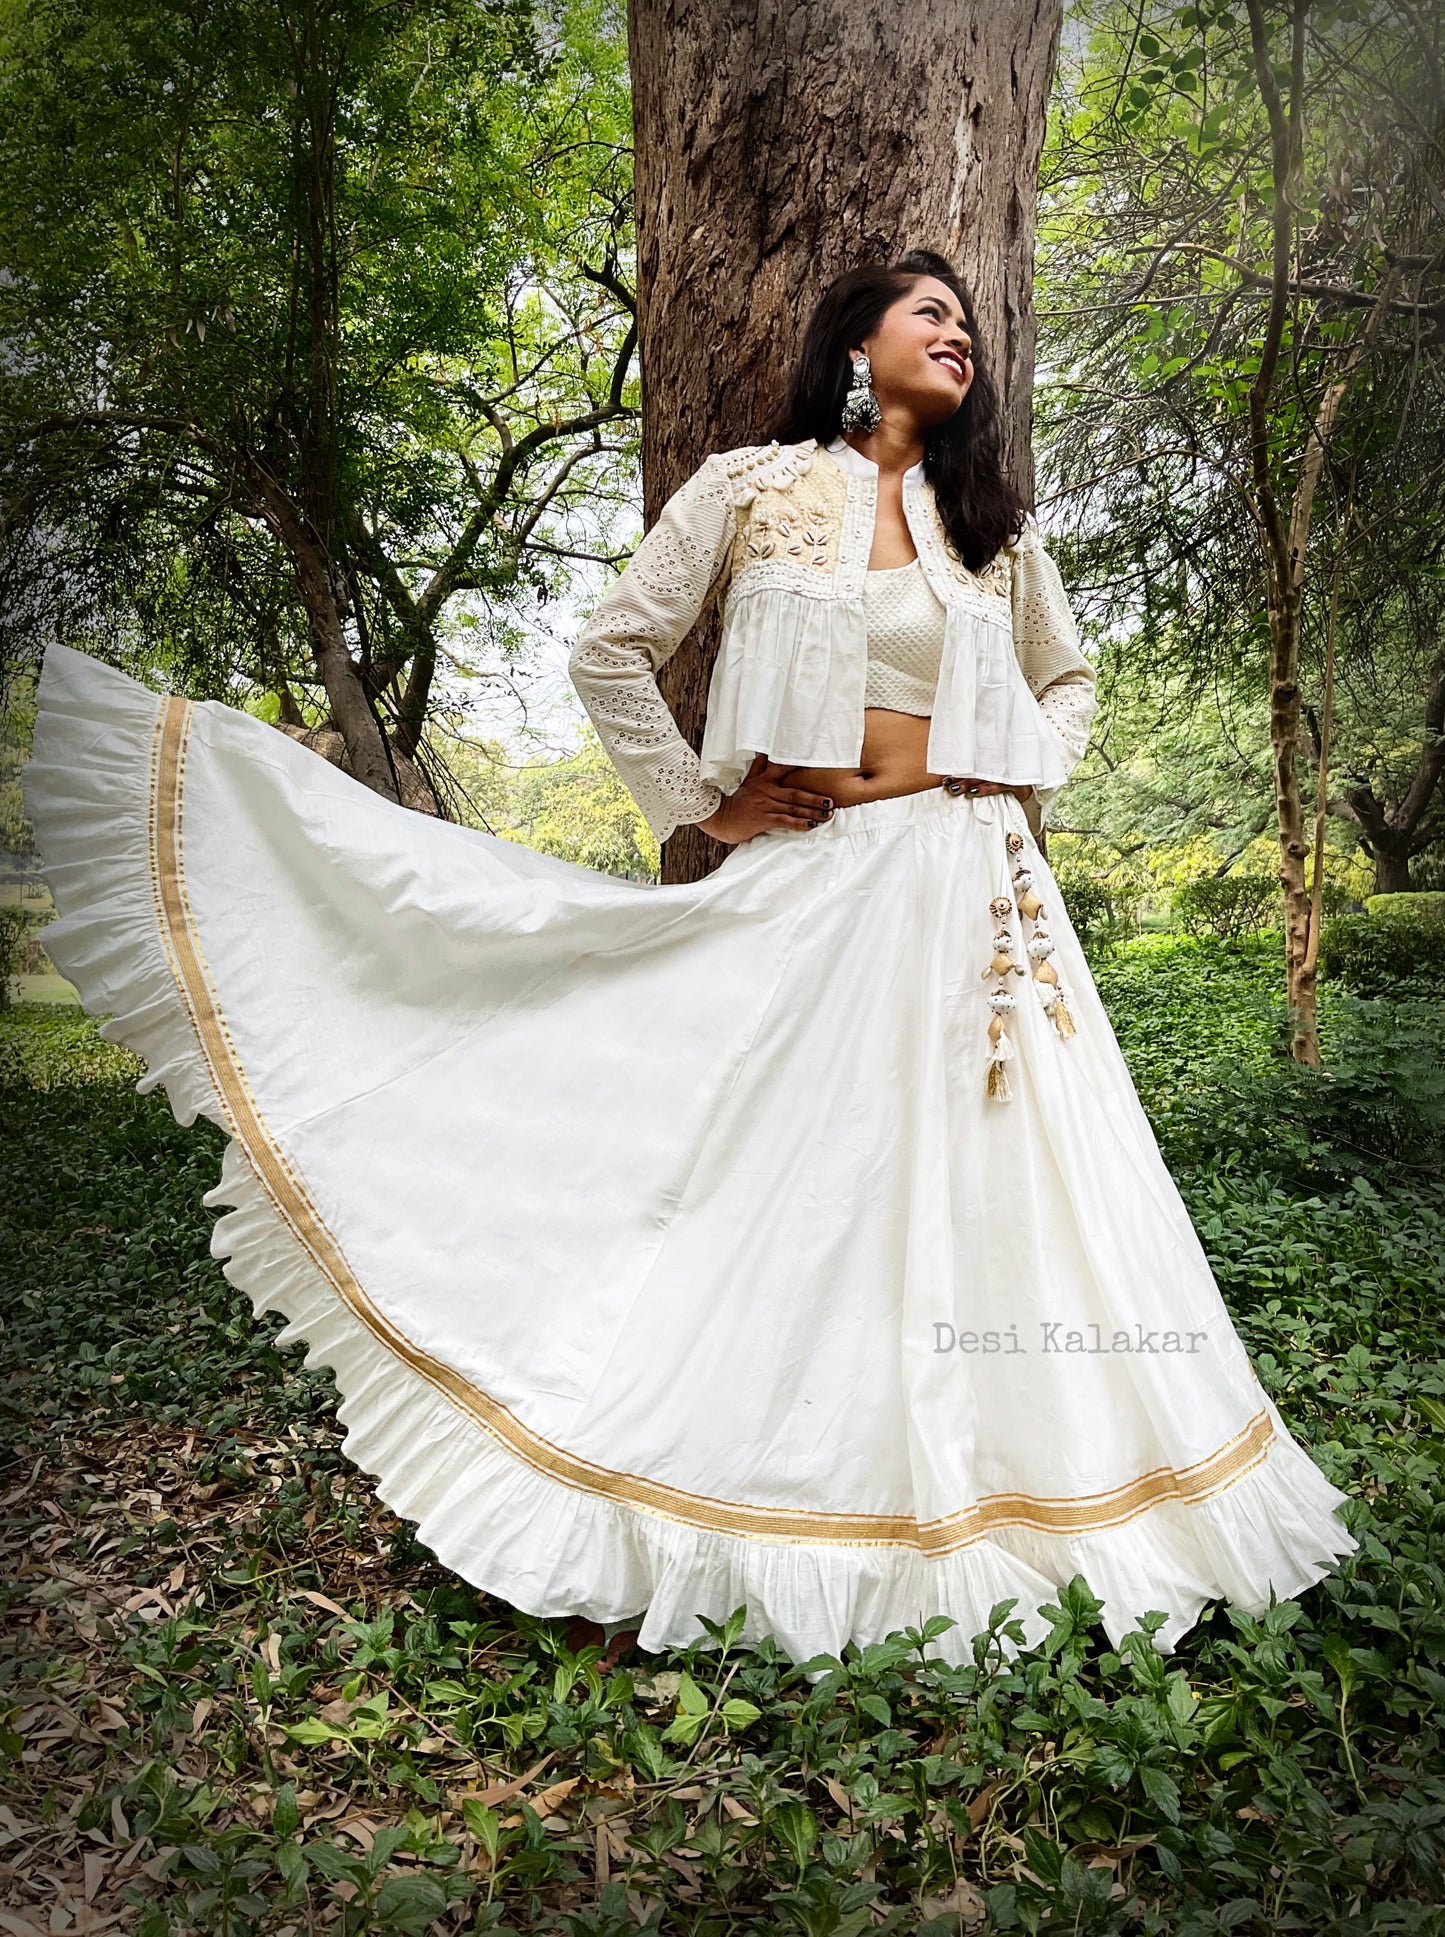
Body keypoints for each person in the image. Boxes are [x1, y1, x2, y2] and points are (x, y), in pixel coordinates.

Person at [20, 249, 1357, 1677]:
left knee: (1008, 1186)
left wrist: (1011, 773)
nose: (957, 336)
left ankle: (1028, 1493)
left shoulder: (993, 532)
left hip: (979, 898)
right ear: (855, 341)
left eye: (968, 325)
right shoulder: (748, 490)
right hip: (817, 884)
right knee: (777, 1188)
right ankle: (702, 1487)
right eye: (929, 314)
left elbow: (1067, 678)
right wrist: (700, 806)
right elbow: (612, 650)